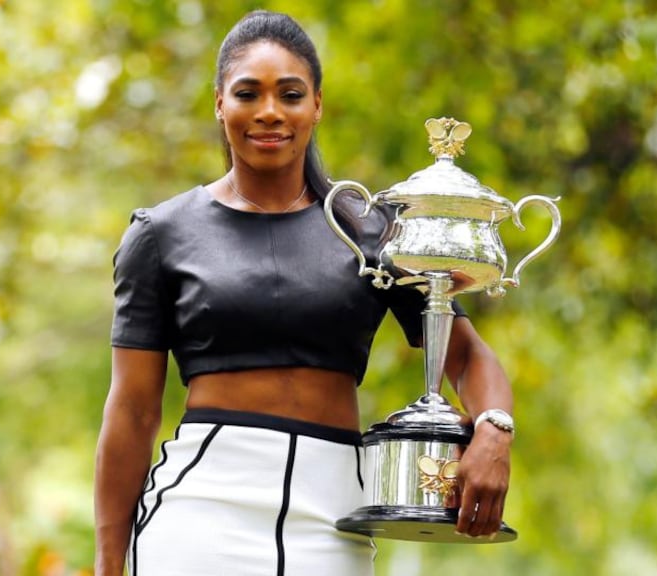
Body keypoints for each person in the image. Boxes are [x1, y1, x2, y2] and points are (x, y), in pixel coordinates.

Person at [94, 10, 514, 576]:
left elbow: (465, 355)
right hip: (201, 512)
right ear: (219, 103)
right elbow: (133, 409)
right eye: (248, 93)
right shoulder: (162, 234)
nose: (269, 111)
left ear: (316, 105)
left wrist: (494, 429)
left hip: (332, 519)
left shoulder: (371, 229)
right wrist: (108, 561)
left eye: (290, 95)